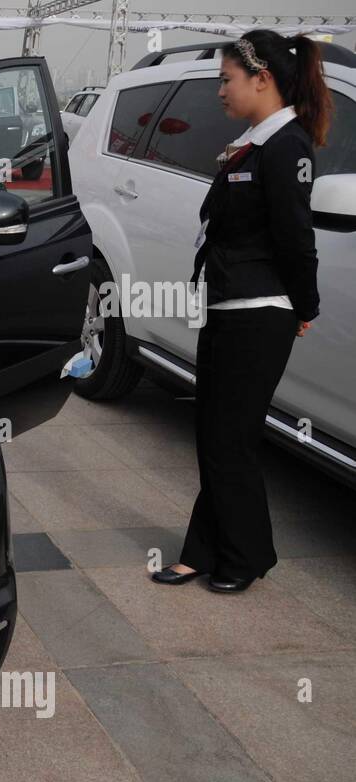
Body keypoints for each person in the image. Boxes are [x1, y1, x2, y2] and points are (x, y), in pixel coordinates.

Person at [153, 30, 330, 593]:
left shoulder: (287, 146)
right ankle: (203, 551)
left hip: (260, 311)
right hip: (230, 305)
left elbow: (296, 239)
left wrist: (306, 305)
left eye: (226, 80)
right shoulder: (255, 142)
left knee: (231, 438)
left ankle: (246, 556)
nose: (220, 92)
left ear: (262, 79)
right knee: (214, 433)